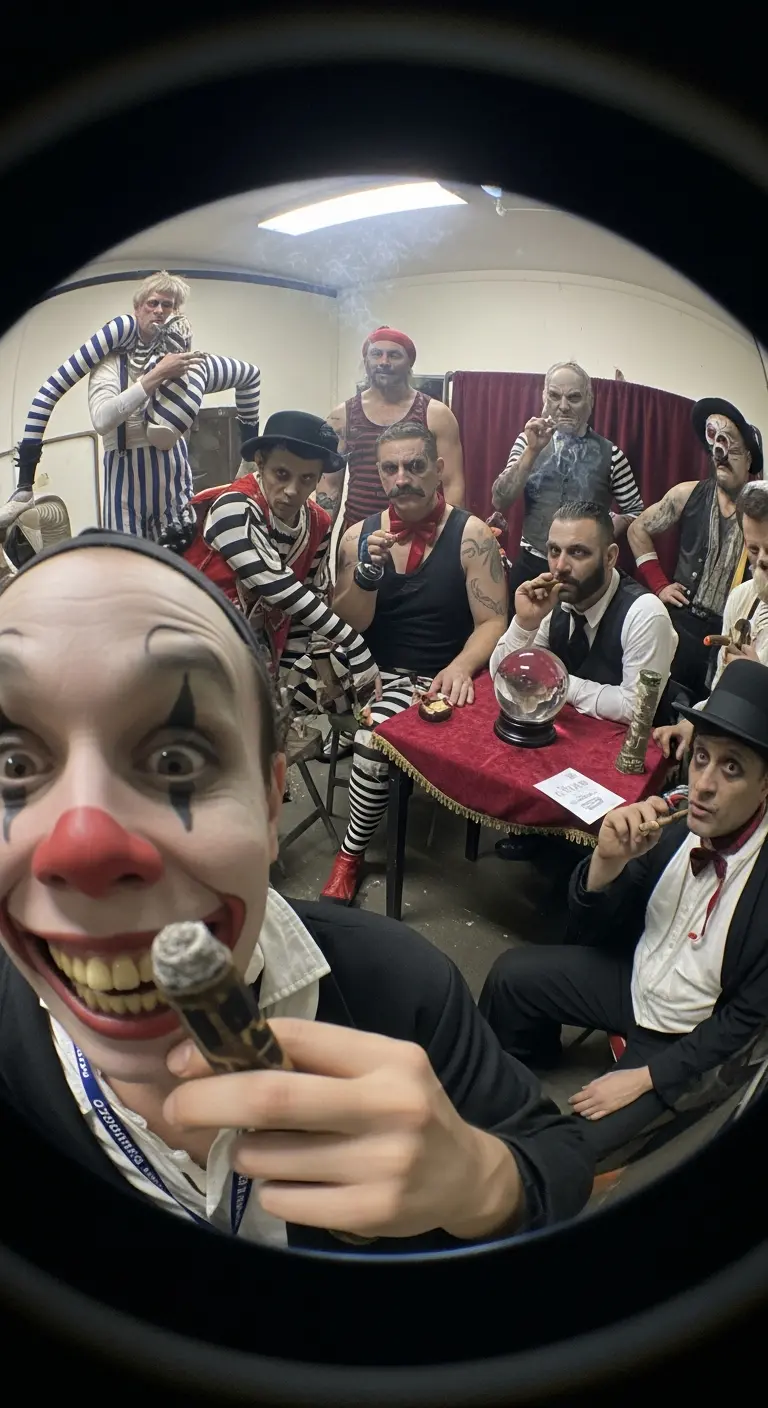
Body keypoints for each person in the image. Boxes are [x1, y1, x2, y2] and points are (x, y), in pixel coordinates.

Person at [0, 531, 593, 1253]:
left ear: (272, 799)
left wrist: (480, 1181)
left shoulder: (399, 986)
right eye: (11, 761)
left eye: (177, 757)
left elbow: (560, 1164)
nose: (83, 847)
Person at [479, 659, 768, 1164]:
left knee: (573, 1151)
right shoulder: (673, 823)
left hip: (687, 1029)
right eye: (701, 757)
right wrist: (605, 864)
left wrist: (646, 1077)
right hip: (635, 978)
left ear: (766, 786)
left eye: (732, 767)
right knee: (510, 978)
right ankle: (518, 1081)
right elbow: (590, 932)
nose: (701, 784)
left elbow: (744, 1023)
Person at [320, 420, 507, 904]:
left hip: (435, 678)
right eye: (390, 468)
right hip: (365, 668)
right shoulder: (358, 535)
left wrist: (463, 666)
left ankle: (349, 855)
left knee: (371, 734)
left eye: (415, 465)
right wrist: (365, 574)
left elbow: (493, 621)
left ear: (438, 469)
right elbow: (350, 624)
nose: (402, 477)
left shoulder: (473, 535)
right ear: (379, 476)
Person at [0, 272, 262, 542]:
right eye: (153, 303)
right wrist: (25, 483)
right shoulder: (111, 362)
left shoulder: (185, 365)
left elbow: (250, 376)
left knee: (177, 563)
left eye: (168, 305)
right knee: (129, 562)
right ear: (137, 308)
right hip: (124, 479)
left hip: (172, 474)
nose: (159, 311)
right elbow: (101, 420)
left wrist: (249, 459)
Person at [180, 410, 379, 698]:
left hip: (257, 659)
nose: (292, 490)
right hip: (195, 649)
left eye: (307, 478)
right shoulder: (232, 506)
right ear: (260, 462)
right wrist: (353, 643)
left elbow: (302, 609)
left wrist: (288, 675)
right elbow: (277, 586)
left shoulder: (318, 522)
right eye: (281, 474)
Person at [491, 501, 677, 725]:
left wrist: (556, 682)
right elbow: (503, 676)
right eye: (554, 551)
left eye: (577, 552)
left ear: (609, 557)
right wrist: (525, 623)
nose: (560, 567)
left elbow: (634, 708)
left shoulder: (645, 612)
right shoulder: (553, 600)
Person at [627, 397, 763, 701]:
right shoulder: (686, 494)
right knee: (655, 705)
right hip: (679, 628)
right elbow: (637, 530)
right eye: (716, 445)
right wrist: (659, 584)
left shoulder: (760, 513)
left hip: (730, 638)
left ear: (750, 458)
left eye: (731, 446)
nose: (720, 454)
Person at [491, 362, 643, 596]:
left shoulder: (611, 454)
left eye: (574, 397)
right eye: (554, 396)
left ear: (589, 401)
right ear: (544, 398)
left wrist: (599, 535)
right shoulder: (526, 442)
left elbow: (635, 512)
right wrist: (532, 452)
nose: (563, 406)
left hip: (583, 572)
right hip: (532, 563)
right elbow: (500, 500)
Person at [654, 480, 768, 763]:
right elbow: (720, 691)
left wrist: (758, 682)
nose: (763, 561)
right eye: (754, 550)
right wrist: (691, 724)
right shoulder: (743, 599)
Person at [315, 325, 465, 533]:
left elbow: (451, 484)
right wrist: (320, 543)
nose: (384, 362)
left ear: (409, 363)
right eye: (376, 354)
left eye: (394, 355)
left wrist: (450, 538)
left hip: (421, 534)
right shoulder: (342, 417)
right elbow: (329, 487)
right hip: (359, 534)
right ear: (366, 361)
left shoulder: (436, 415)